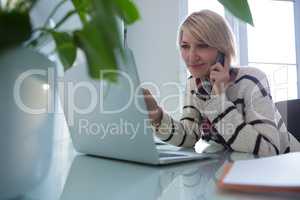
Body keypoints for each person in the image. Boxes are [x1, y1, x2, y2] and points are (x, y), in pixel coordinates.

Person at [143, 10, 300, 156]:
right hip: (241, 171)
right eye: (185, 46)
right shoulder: (195, 84)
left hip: (288, 169)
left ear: (222, 50)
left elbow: (269, 150)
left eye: (202, 45)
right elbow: (190, 136)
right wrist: (157, 117)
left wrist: (219, 99)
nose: (191, 56)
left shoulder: (252, 80)